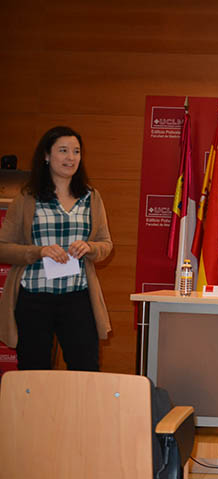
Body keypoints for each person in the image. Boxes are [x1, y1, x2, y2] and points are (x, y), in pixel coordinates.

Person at [0, 126, 113, 371]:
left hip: (78, 298)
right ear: (46, 156)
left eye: (76, 151)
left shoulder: (91, 197)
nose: (71, 157)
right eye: (63, 150)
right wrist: (37, 251)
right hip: (34, 299)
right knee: (34, 373)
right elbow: (3, 247)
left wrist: (90, 247)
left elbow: (106, 245)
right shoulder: (26, 197)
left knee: (86, 371)